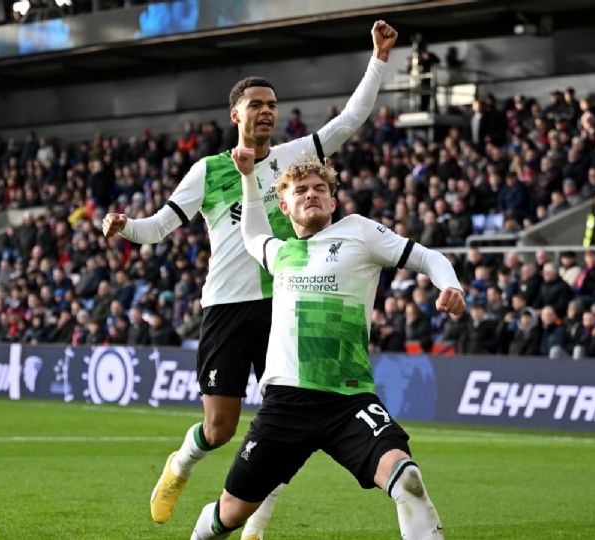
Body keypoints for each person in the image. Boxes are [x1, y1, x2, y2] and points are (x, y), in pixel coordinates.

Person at [102, 20, 398, 536]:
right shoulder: (208, 171)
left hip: (289, 302)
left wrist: (378, 58)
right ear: (236, 114)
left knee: (281, 420)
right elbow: (157, 228)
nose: (266, 112)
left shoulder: (293, 159)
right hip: (226, 305)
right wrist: (124, 226)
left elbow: (351, 119)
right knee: (220, 430)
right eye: (256, 105)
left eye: (272, 105)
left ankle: (256, 524)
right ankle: (182, 464)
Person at [188, 148, 463, 540]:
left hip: (348, 400)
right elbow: (251, 233)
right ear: (284, 206)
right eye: (300, 190)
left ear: (333, 201)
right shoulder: (280, 252)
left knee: (408, 480)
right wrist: (248, 176)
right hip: (285, 404)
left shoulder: (360, 232)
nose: (311, 194)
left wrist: (449, 284)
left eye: (319, 188)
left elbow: (427, 257)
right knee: (229, 513)